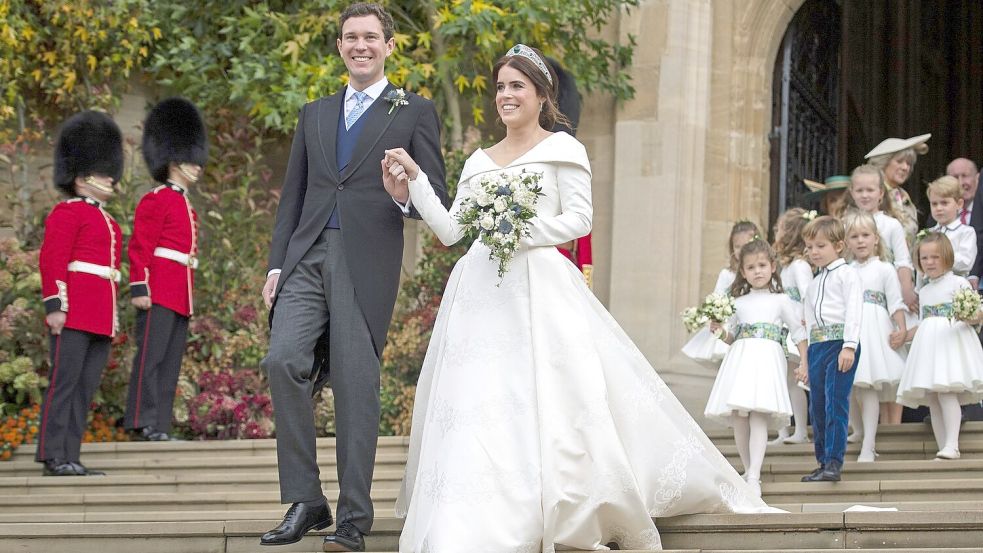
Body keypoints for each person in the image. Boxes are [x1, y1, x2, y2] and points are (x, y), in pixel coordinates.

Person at [386, 43, 774, 553]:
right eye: (500, 86)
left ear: (542, 94)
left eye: (516, 86)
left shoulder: (563, 149)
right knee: (481, 402)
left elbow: (579, 220)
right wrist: (414, 183)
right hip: (480, 293)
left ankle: (559, 505)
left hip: (541, 287)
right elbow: (452, 230)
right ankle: (474, 519)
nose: (505, 95)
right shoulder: (479, 161)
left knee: (549, 399)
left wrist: (515, 230)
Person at [258, 3, 447, 550]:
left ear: (389, 46)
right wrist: (276, 263)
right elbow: (292, 195)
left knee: (356, 389)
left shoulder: (413, 111)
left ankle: (352, 520)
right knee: (282, 360)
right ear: (340, 46)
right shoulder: (314, 113)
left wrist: (404, 195)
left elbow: (434, 198)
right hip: (305, 255)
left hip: (367, 261)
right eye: (350, 37)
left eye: (370, 37)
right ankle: (306, 499)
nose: (359, 45)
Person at [37, 111, 124, 476]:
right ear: (83, 175)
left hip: (99, 316)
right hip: (72, 313)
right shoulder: (67, 212)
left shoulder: (109, 221)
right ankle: (53, 454)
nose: (111, 179)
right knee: (64, 384)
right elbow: (52, 260)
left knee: (83, 389)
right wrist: (56, 305)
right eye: (105, 172)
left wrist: (112, 319)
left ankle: (70, 455)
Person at [124, 98, 206, 442]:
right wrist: (140, 287)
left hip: (179, 292)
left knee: (169, 363)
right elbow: (141, 246)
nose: (198, 166)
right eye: (191, 159)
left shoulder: (185, 204)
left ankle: (158, 424)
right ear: (174, 161)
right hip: (158, 289)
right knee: (150, 359)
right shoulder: (157, 199)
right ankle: (141, 421)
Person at [704, 239, 807, 497]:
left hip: (767, 358)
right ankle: (748, 468)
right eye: (751, 267)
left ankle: (755, 475)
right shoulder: (737, 303)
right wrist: (719, 332)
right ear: (742, 272)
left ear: (773, 266)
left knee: (759, 414)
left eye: (762, 265)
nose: (757, 271)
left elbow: (798, 332)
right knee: (740, 416)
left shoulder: (782, 300)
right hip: (741, 358)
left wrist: (804, 361)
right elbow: (733, 336)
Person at [896, 232, 983, 459]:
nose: (930, 262)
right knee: (933, 398)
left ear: (947, 257)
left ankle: (952, 444)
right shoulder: (924, 291)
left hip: (951, 344)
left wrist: (969, 315)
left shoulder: (958, 282)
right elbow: (925, 321)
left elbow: (976, 314)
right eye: (924, 258)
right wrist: (904, 335)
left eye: (935, 257)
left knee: (946, 393)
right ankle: (942, 444)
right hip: (930, 347)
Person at [796, 215, 862, 482]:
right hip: (818, 347)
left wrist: (849, 346)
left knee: (836, 403)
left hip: (839, 345)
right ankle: (822, 460)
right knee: (818, 407)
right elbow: (808, 320)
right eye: (810, 247)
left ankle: (834, 461)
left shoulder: (847, 275)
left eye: (820, 246)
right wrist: (806, 358)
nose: (814, 252)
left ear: (838, 245)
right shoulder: (814, 282)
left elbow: (854, 310)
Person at [847, 164, 914, 425]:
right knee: (864, 369)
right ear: (852, 192)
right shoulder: (846, 224)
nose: (865, 195)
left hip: (889, 298)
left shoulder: (891, 224)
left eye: (870, 189)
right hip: (858, 307)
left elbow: (903, 260)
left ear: (880, 192)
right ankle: (865, 428)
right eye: (860, 190)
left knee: (888, 360)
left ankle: (892, 426)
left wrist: (907, 289)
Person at [842, 210, 906, 463]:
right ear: (846, 242)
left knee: (866, 384)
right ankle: (857, 430)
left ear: (876, 239)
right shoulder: (845, 270)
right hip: (851, 331)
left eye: (865, 235)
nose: (860, 241)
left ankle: (869, 443)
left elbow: (896, 303)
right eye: (854, 236)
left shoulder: (885, 269)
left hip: (875, 330)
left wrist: (900, 330)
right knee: (851, 386)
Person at [681, 220, 759, 363]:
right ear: (732, 248)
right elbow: (717, 297)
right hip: (731, 326)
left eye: (746, 246)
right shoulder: (727, 274)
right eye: (737, 246)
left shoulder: (760, 274)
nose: (742, 250)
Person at [771, 208, 814, 444]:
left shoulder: (800, 266)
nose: (776, 232)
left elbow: (808, 295)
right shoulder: (785, 266)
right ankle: (784, 430)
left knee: (797, 379)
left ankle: (801, 430)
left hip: (797, 326)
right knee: (787, 381)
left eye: (780, 228)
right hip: (784, 325)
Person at [865, 134, 931, 248]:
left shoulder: (903, 195)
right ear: (884, 162)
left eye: (909, 164)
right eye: (900, 161)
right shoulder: (870, 194)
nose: (905, 167)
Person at [924, 176, 978, 287]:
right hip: (930, 288)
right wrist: (918, 290)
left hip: (956, 290)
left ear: (959, 204)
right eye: (934, 204)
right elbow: (920, 267)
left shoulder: (966, 232)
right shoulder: (928, 234)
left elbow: (966, 263)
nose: (938, 208)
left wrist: (940, 254)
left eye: (944, 203)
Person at [945, 158, 983, 288]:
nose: (960, 183)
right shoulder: (937, 216)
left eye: (965, 176)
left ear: (978, 178)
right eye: (955, 177)